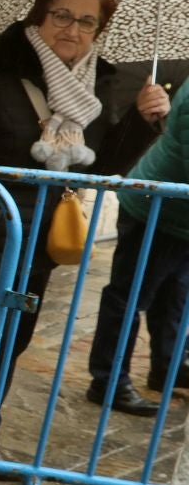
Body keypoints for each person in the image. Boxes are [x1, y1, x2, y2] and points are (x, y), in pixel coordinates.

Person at [0, 0, 169, 436]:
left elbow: (98, 168)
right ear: (39, 16)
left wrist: (140, 121)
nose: (72, 29)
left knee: (12, 338)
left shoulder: (92, 88)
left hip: (40, 243)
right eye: (62, 15)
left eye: (86, 22)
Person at [87, 87, 189, 403]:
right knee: (129, 297)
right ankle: (108, 382)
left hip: (180, 216)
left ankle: (167, 369)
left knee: (174, 296)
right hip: (154, 210)